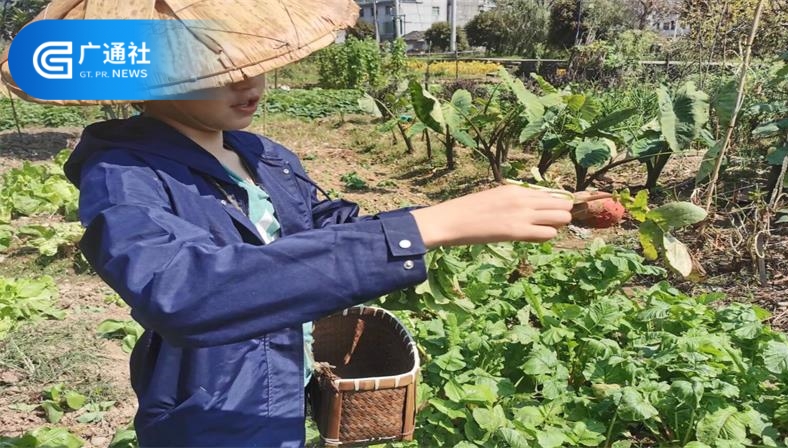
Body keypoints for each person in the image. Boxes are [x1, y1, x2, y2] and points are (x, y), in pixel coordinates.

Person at [63, 71, 592, 447]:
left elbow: (320, 228)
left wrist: (447, 219)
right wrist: (420, 230)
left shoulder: (261, 154)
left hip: (285, 369)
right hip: (212, 395)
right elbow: (181, 291)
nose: (249, 82)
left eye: (256, 63)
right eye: (219, 67)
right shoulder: (123, 175)